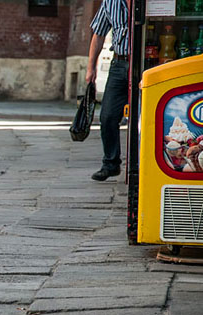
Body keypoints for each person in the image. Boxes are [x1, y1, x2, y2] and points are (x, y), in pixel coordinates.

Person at [86, 0, 130, 181]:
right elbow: (98, 34)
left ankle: (145, 163)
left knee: (146, 116)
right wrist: (91, 68)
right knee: (108, 116)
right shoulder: (111, 2)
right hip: (119, 63)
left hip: (148, 63)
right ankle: (111, 164)